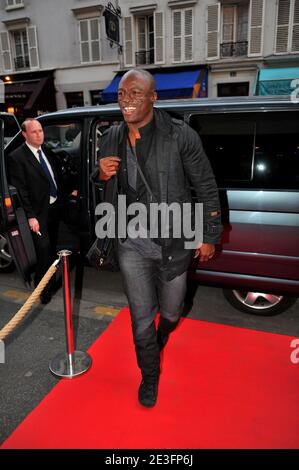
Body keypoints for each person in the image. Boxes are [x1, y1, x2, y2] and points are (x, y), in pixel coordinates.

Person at [98, 69, 222, 407]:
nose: (127, 100)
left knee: (171, 312)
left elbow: (206, 186)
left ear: (154, 98)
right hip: (131, 243)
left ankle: (161, 335)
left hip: (174, 240)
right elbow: (106, 187)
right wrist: (102, 174)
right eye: (123, 94)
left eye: (136, 93)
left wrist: (208, 234)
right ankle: (149, 375)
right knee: (140, 319)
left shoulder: (180, 135)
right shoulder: (110, 136)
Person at [8, 118, 61, 304]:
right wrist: (31, 216)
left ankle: (52, 283)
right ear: (24, 135)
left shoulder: (45, 150)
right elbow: (21, 190)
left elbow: (53, 176)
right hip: (37, 213)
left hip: (53, 206)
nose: (39, 135)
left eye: (40, 131)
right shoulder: (17, 157)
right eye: (34, 132)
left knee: (53, 248)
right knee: (43, 252)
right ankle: (43, 290)